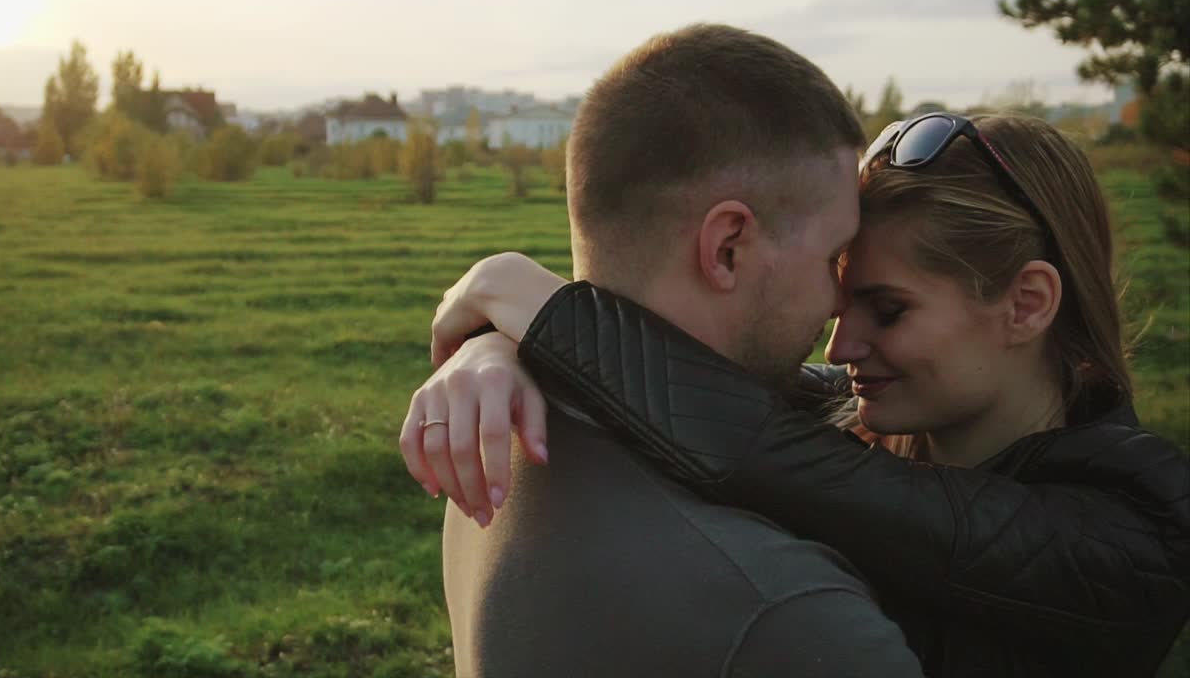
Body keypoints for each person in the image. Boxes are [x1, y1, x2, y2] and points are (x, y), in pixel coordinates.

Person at [402, 110, 1190, 677]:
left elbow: (753, 445)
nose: (839, 347)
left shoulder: (1135, 536)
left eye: (888, 310)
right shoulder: (861, 419)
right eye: (841, 305)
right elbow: (706, 389)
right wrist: (499, 348)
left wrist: (529, 302)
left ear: (1025, 304)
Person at [408, 23, 926, 677]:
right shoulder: (786, 612)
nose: (836, 301)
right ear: (728, 247)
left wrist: (498, 342)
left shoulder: (494, 437)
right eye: (832, 257)